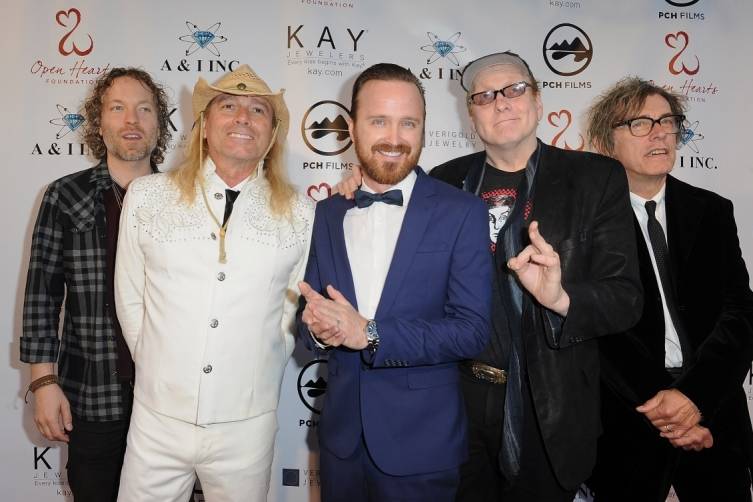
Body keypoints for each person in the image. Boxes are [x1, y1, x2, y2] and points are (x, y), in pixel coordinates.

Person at [334, 51, 642, 501]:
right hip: (454, 404)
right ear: (471, 115)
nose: (501, 102)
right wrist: (356, 188)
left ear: (538, 101)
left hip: (550, 407)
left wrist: (560, 298)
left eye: (514, 89)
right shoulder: (443, 181)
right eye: (485, 96)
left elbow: (625, 299)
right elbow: (385, 205)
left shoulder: (595, 178)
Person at [114, 64, 313, 502]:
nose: (243, 118)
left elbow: (289, 315)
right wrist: (157, 368)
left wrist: (255, 376)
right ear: (204, 125)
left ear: (272, 134)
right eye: (228, 106)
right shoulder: (147, 196)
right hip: (157, 418)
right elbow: (130, 297)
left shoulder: (301, 213)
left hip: (247, 425)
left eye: (258, 110)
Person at [297, 62, 492, 501]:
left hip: (422, 446)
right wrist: (318, 329)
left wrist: (369, 333)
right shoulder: (328, 212)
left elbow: (472, 331)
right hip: (341, 445)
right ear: (351, 127)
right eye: (378, 121)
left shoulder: (461, 212)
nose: (394, 137)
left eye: (409, 123)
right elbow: (307, 317)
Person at [586, 77, 753, 502]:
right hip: (630, 419)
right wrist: (669, 413)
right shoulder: (587, 224)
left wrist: (695, 399)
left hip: (714, 411)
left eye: (666, 121)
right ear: (606, 143)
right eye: (640, 123)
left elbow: (739, 313)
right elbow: (601, 331)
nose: (659, 133)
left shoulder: (712, 210)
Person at [20, 67, 171, 502]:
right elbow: (41, 295)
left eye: (144, 109)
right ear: (99, 123)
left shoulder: (182, 198)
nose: (132, 120)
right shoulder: (65, 195)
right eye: (117, 108)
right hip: (93, 393)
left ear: (159, 124)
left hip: (168, 398)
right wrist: (43, 384)